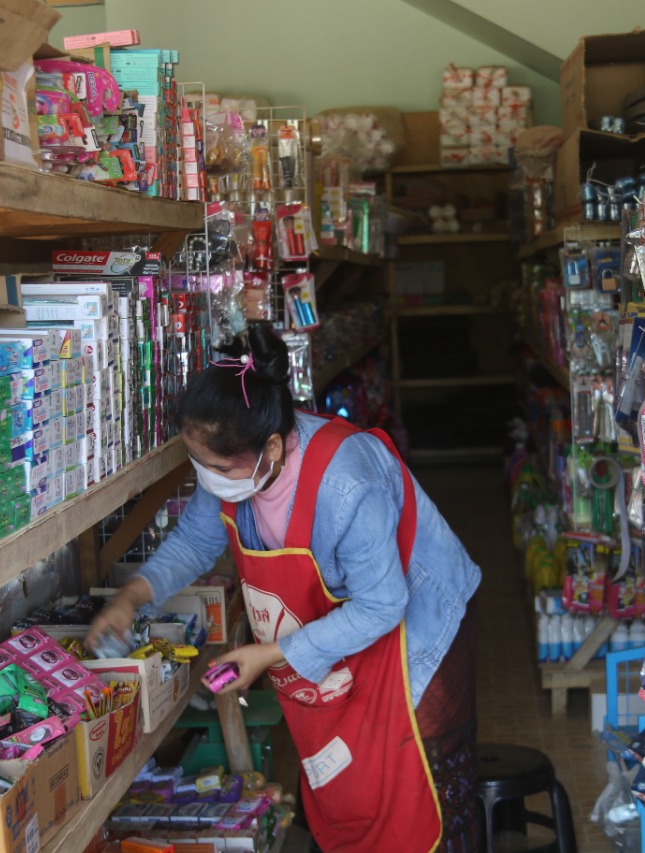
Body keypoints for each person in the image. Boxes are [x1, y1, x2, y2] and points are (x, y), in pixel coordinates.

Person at [87, 323, 482, 852]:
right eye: (198, 464)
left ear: (272, 447)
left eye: (217, 468)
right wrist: (131, 597)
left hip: (418, 629)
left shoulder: (347, 483)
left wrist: (269, 654)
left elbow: (383, 605)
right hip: (344, 640)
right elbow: (195, 542)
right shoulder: (234, 461)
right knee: (352, 787)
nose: (208, 479)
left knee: (419, 789)